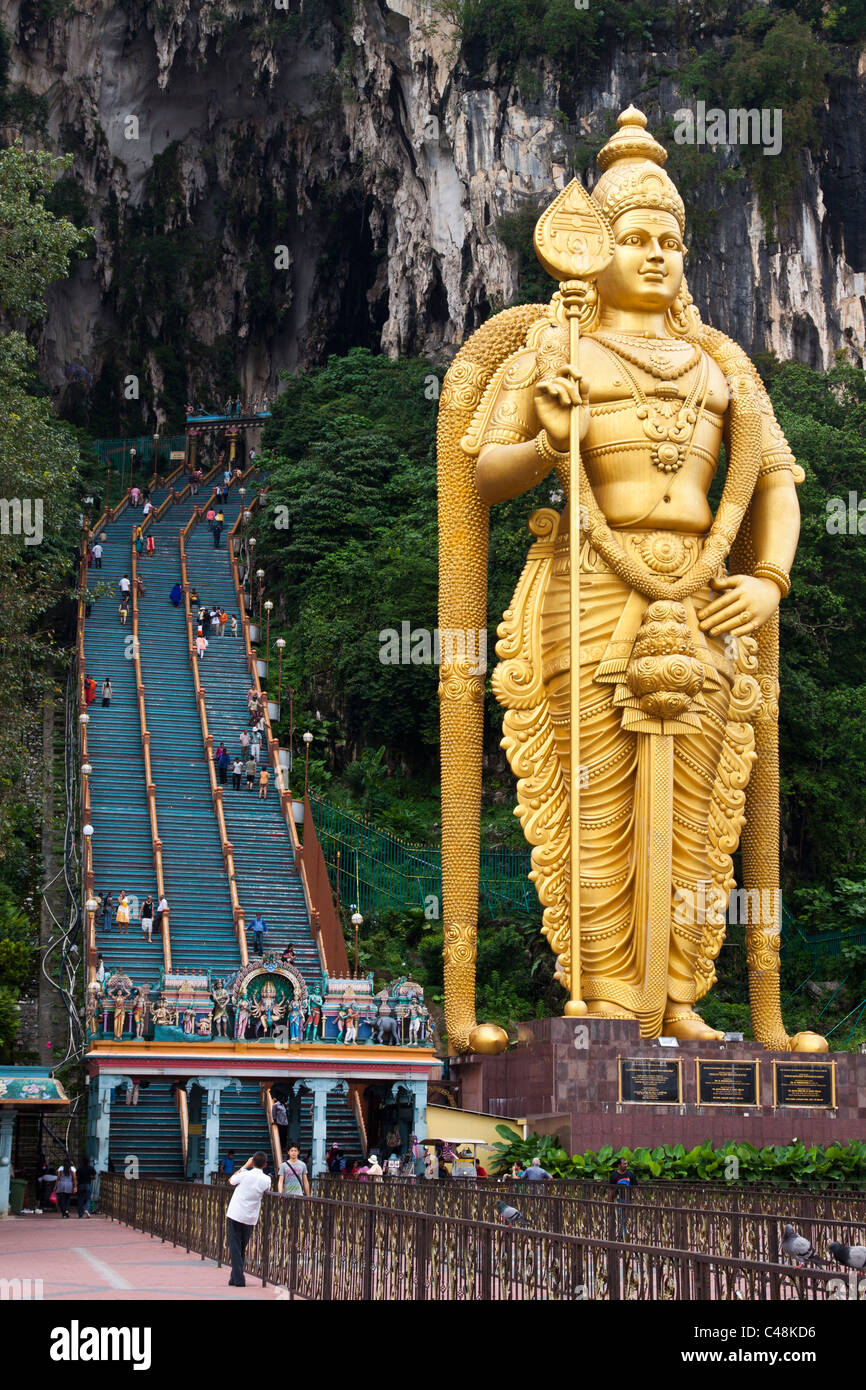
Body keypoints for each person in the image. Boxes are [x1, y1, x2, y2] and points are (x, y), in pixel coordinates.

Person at [226, 1153, 271, 1287]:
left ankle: (239, 1279)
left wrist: (245, 1165)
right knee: (241, 1247)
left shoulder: (245, 1174)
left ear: (253, 1162)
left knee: (235, 1246)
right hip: (250, 1216)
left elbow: (231, 1180)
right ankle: (234, 1277)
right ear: (265, 1165)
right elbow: (265, 1192)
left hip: (236, 1213)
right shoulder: (266, 1179)